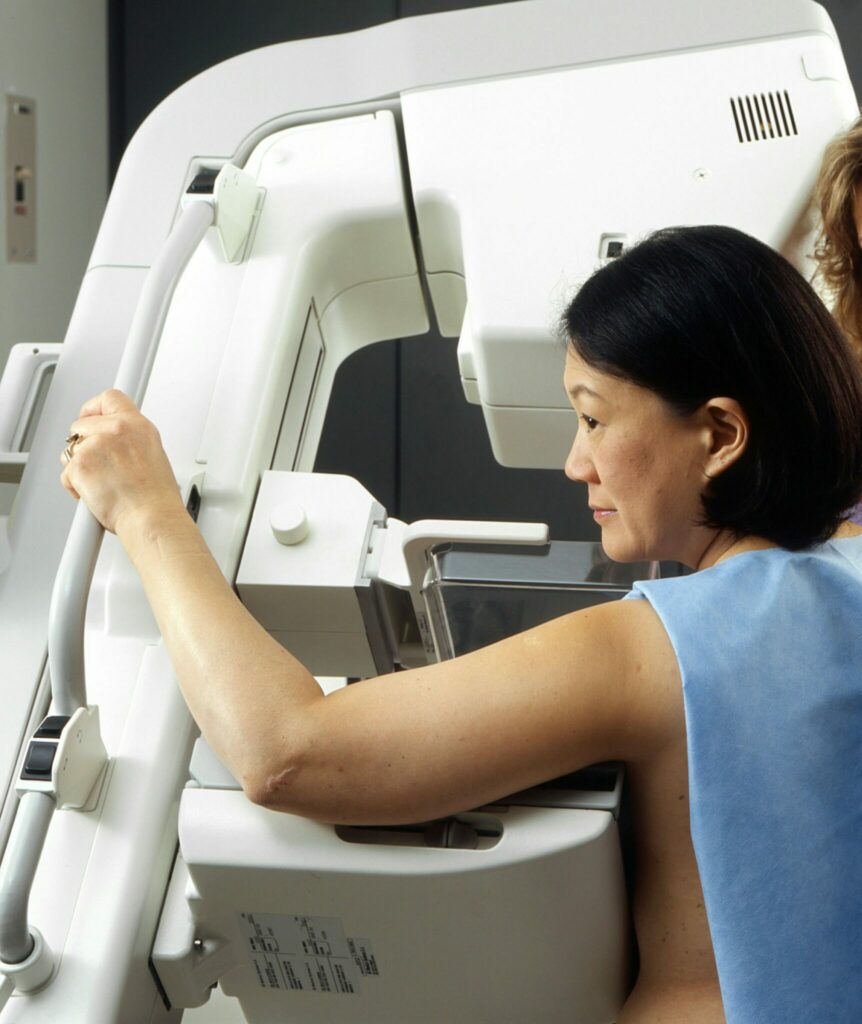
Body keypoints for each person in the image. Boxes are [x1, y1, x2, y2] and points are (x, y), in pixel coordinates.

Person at [59, 226, 862, 1023]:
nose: (575, 464)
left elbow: (287, 753)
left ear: (720, 435)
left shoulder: (660, 649)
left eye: (592, 420)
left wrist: (145, 509)